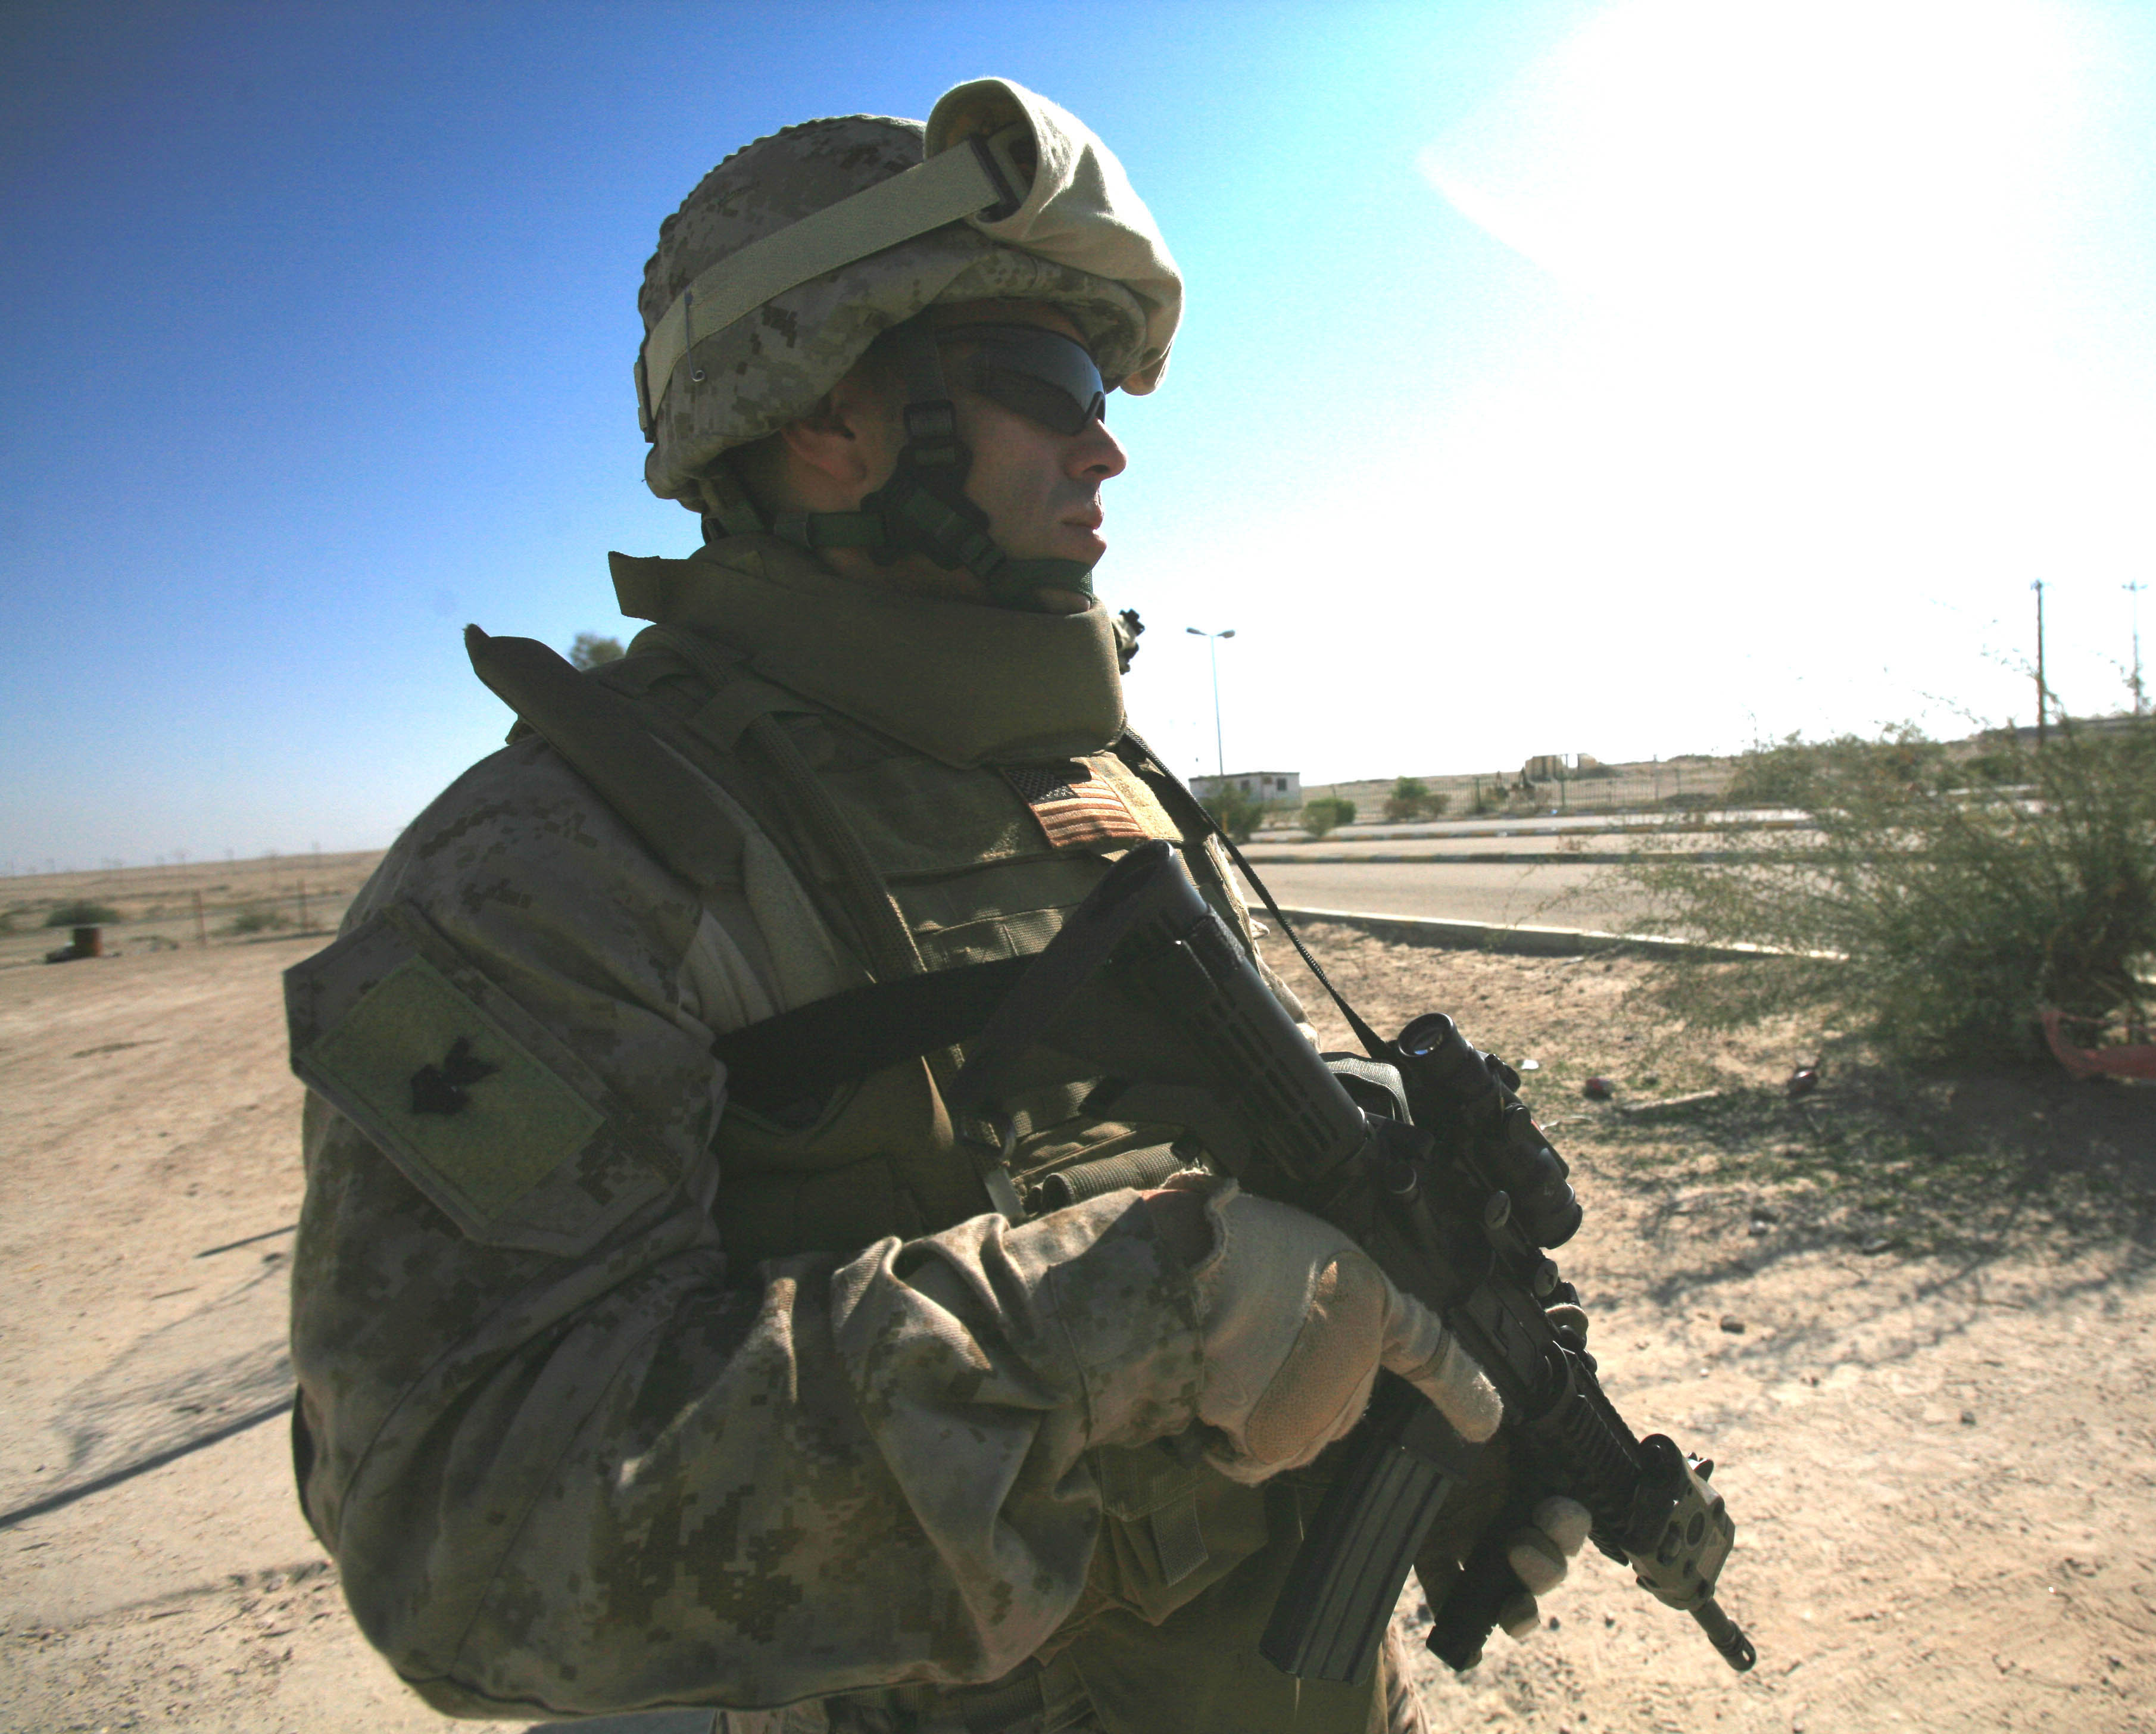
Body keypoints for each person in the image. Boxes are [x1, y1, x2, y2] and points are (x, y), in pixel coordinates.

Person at [283, 80, 1584, 1734]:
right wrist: (1146, 1315)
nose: (1106, 445)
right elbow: (458, 1543)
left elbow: (1216, 1223)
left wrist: (1418, 1410)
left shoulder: (1098, 784)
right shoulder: (557, 867)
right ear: (827, 419)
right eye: (1049, 383)